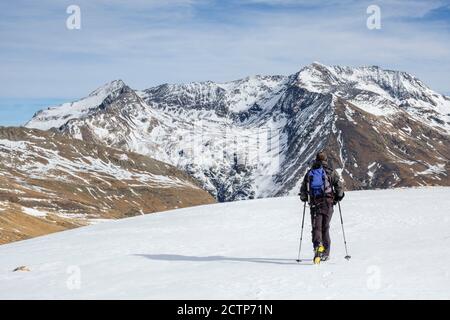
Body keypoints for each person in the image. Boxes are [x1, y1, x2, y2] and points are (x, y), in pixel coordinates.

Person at [299, 151, 344, 262]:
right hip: (328, 204)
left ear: (316, 159)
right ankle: (326, 253)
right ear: (326, 160)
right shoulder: (331, 172)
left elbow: (303, 191)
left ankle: (317, 246)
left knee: (316, 228)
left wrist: (304, 198)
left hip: (315, 204)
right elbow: (339, 187)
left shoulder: (310, 173)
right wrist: (338, 197)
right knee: (325, 228)